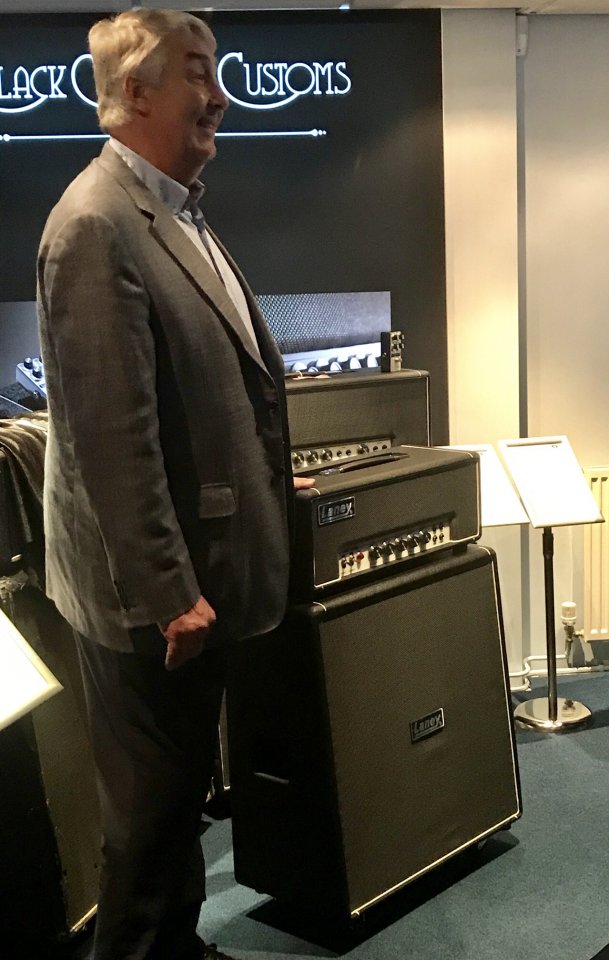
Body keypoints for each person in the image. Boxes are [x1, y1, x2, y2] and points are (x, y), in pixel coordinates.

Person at [37, 9, 311, 960]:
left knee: (179, 797)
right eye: (197, 72)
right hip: (151, 605)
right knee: (148, 828)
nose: (221, 95)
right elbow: (110, 436)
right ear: (134, 93)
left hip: (196, 581)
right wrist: (167, 592)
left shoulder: (170, 207)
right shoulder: (93, 223)